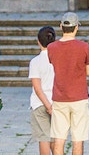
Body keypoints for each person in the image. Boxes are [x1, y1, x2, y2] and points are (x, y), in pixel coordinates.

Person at [48, 12, 89, 155]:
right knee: (78, 139)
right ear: (77, 28)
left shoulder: (52, 47)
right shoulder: (84, 47)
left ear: (61, 26)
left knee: (59, 138)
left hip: (60, 96)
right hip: (79, 96)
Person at [28, 26, 58, 155]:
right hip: (57, 101)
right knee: (56, 138)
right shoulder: (58, 59)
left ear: (38, 41)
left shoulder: (35, 62)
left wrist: (47, 105)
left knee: (44, 138)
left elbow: (37, 88)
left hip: (40, 103)